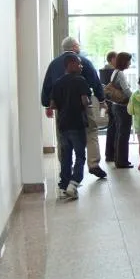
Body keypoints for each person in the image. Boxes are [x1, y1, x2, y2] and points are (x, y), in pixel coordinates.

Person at [41, 36, 107, 179]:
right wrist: (101, 100)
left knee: (62, 136)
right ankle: (93, 163)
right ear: (75, 47)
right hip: (82, 105)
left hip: (61, 106)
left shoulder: (54, 64)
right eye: (78, 45)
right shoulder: (83, 62)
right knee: (91, 131)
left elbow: (47, 85)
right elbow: (95, 82)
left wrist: (47, 105)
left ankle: (65, 166)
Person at [48, 54, 90, 200]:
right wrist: (87, 102)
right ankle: (74, 183)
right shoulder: (81, 80)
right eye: (79, 64)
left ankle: (63, 187)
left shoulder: (58, 83)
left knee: (66, 157)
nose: (81, 66)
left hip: (63, 125)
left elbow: (53, 105)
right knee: (80, 155)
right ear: (70, 64)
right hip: (77, 123)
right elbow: (85, 101)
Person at [111, 52, 133, 168]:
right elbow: (127, 90)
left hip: (116, 106)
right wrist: (135, 97)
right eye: (129, 60)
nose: (130, 63)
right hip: (123, 107)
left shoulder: (115, 72)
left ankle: (118, 159)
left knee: (119, 133)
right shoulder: (121, 74)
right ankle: (122, 161)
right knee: (124, 134)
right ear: (124, 61)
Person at [99, 51, 117, 162]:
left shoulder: (103, 71)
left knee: (111, 127)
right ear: (112, 59)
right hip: (113, 102)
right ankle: (111, 154)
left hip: (107, 101)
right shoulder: (111, 72)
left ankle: (109, 154)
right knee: (113, 128)